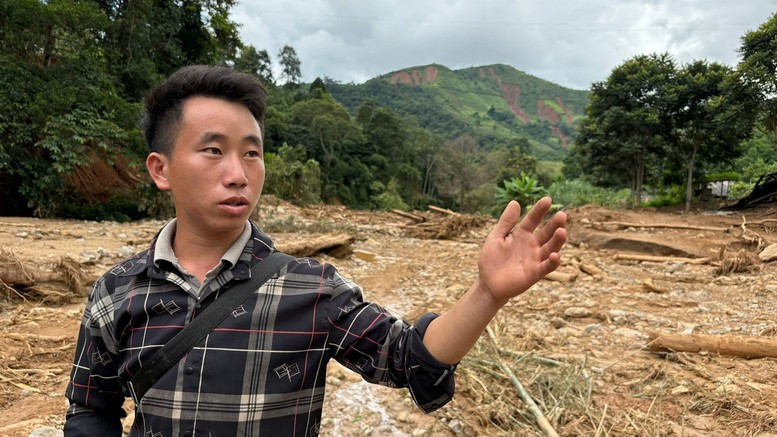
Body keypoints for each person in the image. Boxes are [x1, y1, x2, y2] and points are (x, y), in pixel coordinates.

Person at [64, 65, 568, 436]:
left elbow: (409, 360)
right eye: (213, 150)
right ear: (161, 168)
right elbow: (92, 410)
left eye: (252, 153)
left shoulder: (313, 288)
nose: (238, 173)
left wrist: (486, 294)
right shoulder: (116, 291)